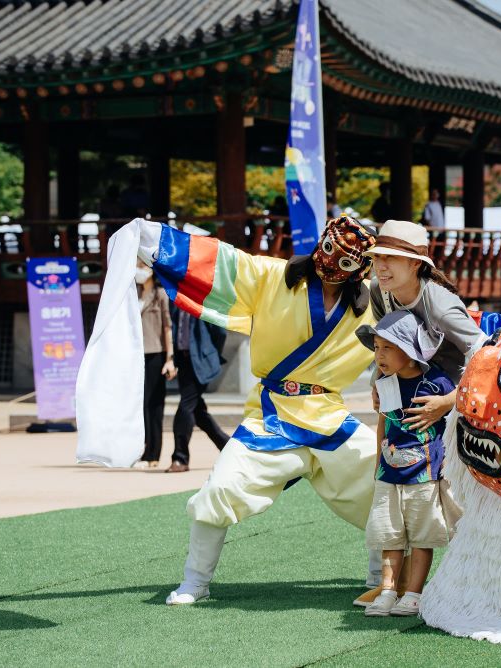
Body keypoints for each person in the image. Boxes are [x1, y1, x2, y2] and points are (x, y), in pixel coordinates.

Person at [136, 215, 383, 605]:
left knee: (384, 484)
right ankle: (195, 581)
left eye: (350, 260)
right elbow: (222, 262)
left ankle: (379, 580)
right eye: (332, 249)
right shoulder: (272, 276)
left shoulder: (377, 302)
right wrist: (149, 238)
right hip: (272, 415)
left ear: (363, 267)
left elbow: (437, 318)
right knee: (221, 488)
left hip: (329, 416)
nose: (334, 262)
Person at [356, 311, 457, 617]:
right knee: (390, 534)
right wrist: (377, 464)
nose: (379, 355)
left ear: (410, 353)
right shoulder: (386, 383)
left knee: (423, 535)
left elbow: (460, 404)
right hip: (390, 473)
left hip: (425, 474)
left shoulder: (437, 383)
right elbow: (383, 425)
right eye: (376, 348)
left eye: (387, 348)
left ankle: (413, 593)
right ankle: (388, 591)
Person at [367, 219, 487, 430]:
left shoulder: (440, 307)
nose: (381, 266)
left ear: (416, 264)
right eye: (377, 256)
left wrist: (447, 403)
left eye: (391, 257)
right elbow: (385, 342)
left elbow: (486, 356)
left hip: (458, 398)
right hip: (414, 394)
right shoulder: (379, 290)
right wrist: (379, 384)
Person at [166, 302, 231, 472]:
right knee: (197, 411)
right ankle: (229, 448)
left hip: (201, 362)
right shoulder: (175, 301)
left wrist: (212, 355)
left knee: (185, 407)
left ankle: (180, 457)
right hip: (184, 361)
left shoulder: (203, 302)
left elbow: (220, 331)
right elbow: (174, 330)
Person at [136, 260, 176, 468]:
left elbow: (168, 328)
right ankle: (145, 449)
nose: (139, 271)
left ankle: (154, 453)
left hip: (156, 354)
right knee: (141, 405)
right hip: (137, 355)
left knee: (154, 404)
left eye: (142, 266)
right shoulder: (134, 295)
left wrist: (170, 358)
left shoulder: (160, 295)